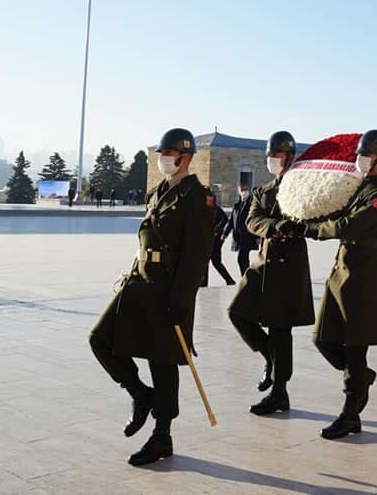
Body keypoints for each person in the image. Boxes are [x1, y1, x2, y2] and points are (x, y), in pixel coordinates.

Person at [88, 128, 214, 466]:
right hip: (140, 282)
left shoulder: (199, 198)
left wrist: (182, 301)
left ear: (185, 157)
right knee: (100, 339)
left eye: (169, 154)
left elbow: (196, 256)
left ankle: (162, 436)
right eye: (162, 153)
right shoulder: (159, 191)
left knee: (163, 361)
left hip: (169, 289)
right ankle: (139, 394)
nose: (163, 159)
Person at [305, 130, 377, 439]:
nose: (360, 161)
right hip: (342, 270)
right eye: (359, 156)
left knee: (354, 347)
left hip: (363, 275)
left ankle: (351, 413)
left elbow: (350, 224)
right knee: (322, 338)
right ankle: (362, 378)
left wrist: (316, 230)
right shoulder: (358, 188)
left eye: (366, 157)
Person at [228, 131, 315, 416]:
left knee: (280, 329)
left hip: (289, 266)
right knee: (237, 312)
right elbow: (251, 220)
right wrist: (276, 226)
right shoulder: (263, 191)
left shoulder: (304, 189)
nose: (272, 161)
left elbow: (315, 218)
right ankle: (268, 357)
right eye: (270, 156)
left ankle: (280, 392)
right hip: (263, 262)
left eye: (276, 156)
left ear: (289, 157)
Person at [225, 185, 260, 276]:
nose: (244, 192)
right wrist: (225, 233)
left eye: (246, 190)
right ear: (239, 192)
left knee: (242, 258)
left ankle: (246, 277)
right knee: (243, 259)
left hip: (248, 236)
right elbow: (231, 221)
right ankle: (247, 277)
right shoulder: (237, 206)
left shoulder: (251, 204)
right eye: (242, 190)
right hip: (238, 237)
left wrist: (257, 236)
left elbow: (255, 220)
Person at [203, 204, 236, 287]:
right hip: (207, 238)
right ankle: (204, 283)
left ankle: (229, 280)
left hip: (215, 240)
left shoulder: (213, 207)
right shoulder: (201, 207)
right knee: (207, 261)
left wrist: (216, 230)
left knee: (215, 262)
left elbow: (224, 219)